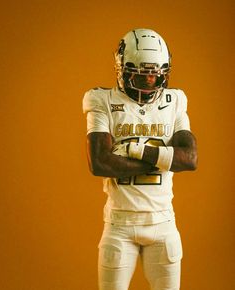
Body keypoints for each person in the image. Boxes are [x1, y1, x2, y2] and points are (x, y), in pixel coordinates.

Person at [82, 28, 197, 290]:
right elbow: (100, 163)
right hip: (119, 225)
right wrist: (165, 158)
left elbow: (189, 158)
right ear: (122, 69)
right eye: (141, 75)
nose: (150, 82)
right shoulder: (103, 100)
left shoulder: (175, 100)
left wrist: (136, 150)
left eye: (156, 75)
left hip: (164, 222)